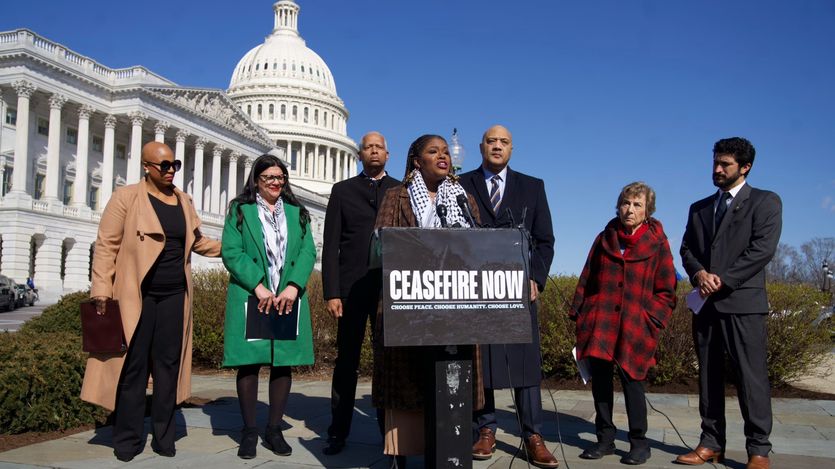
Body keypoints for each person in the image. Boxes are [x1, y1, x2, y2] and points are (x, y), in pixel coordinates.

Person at [81, 141, 221, 461]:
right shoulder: (126, 198)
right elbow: (106, 245)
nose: (171, 171)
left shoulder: (183, 201)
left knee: (168, 367)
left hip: (174, 294)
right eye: (164, 166)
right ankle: (128, 438)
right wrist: (101, 288)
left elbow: (198, 242)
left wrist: (233, 250)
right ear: (146, 166)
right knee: (133, 367)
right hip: (136, 294)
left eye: (175, 165)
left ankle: (164, 436)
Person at [374, 134, 482, 467]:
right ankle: (404, 458)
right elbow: (379, 245)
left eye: (446, 152)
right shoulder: (398, 195)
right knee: (410, 384)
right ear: (417, 161)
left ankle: (447, 455)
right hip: (409, 306)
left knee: (449, 386)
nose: (443, 156)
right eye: (433, 152)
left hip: (455, 309)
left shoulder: (464, 198)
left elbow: (478, 247)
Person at [677, 137, 782, 469]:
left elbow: (762, 249)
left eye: (725, 164)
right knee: (708, 377)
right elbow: (686, 250)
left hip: (743, 304)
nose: (717, 169)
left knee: (751, 380)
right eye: (715, 162)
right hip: (706, 306)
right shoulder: (700, 208)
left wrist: (723, 279)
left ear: (745, 167)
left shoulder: (765, 202)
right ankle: (710, 443)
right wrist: (698, 275)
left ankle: (759, 450)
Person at [458, 125, 557, 468]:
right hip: (475, 290)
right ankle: (485, 431)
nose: (497, 146)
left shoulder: (532, 187)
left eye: (504, 142)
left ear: (512, 149)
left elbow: (545, 240)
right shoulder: (460, 184)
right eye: (491, 141)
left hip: (517, 290)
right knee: (481, 361)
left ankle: (533, 435)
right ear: (480, 147)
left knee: (524, 363)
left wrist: (537, 279)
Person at [570, 182, 677, 465]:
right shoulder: (604, 238)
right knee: (601, 383)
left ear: (647, 211)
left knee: (633, 382)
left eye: (637, 205)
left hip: (635, 324)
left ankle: (639, 443)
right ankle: (604, 439)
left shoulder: (657, 243)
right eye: (626, 203)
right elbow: (587, 277)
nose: (630, 210)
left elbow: (667, 290)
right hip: (601, 320)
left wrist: (652, 319)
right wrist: (579, 313)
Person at [221, 154, 316, 460]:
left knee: (282, 362)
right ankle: (249, 431)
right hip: (255, 296)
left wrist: (293, 286)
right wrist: (259, 286)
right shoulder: (240, 209)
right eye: (268, 178)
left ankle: (274, 429)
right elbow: (231, 252)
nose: (275, 183)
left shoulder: (297, 212)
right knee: (250, 363)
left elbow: (307, 252)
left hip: (287, 297)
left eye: (279, 177)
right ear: (256, 181)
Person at [321, 131, 400, 455]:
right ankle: (338, 431)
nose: (373, 151)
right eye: (368, 147)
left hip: (389, 290)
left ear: (387, 153)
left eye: (379, 147)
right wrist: (331, 292)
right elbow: (331, 245)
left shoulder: (401, 190)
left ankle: (391, 434)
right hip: (352, 289)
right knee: (346, 362)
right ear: (360, 154)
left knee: (389, 363)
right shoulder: (342, 192)